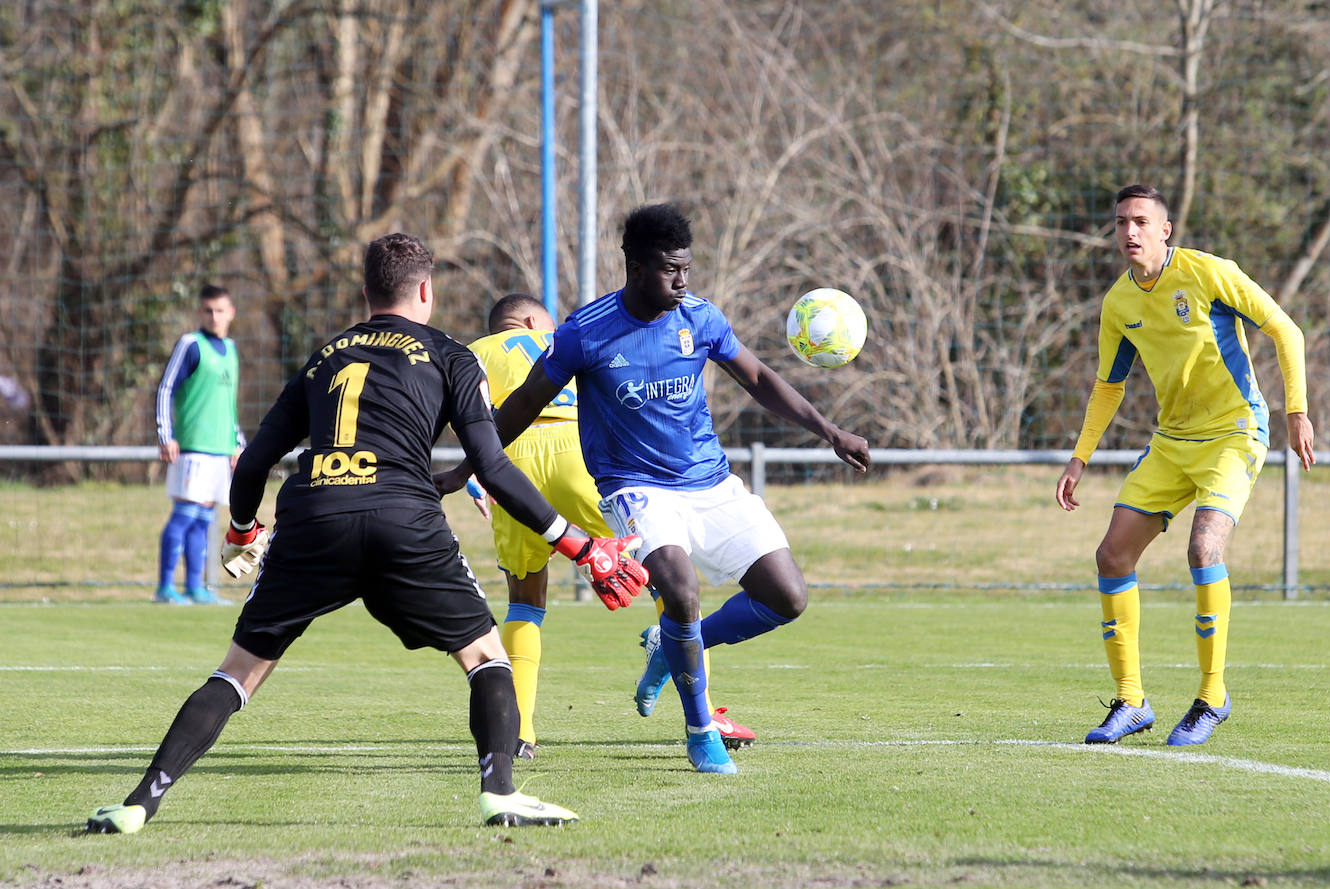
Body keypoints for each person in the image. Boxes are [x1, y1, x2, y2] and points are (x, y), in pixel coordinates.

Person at [84, 233, 647, 835]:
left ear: (366, 294)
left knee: (237, 673)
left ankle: (139, 802)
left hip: (313, 518)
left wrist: (244, 531)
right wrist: (581, 546)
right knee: (486, 657)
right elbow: (493, 465)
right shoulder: (452, 355)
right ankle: (500, 791)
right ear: (426, 289)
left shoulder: (326, 356)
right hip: (404, 519)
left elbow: (252, 464)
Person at [438, 204, 869, 774]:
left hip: (709, 481)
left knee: (787, 597)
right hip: (634, 488)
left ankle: (669, 647)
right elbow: (519, 408)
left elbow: (760, 378)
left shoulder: (701, 318)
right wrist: (465, 469)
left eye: (687, 268)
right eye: (671, 270)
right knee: (679, 588)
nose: (683, 280)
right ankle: (699, 731)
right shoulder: (585, 332)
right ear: (635, 267)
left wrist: (828, 430)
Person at [1055, 184, 1315, 747]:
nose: (1130, 232)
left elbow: (1284, 328)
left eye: (1142, 222)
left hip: (1234, 431)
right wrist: (1080, 457)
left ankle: (1212, 696)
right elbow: (1108, 385)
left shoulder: (1208, 273)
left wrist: (1297, 411)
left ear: (1165, 229)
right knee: (1111, 554)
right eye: (1121, 221)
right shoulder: (1119, 303)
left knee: (1203, 548)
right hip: (1173, 441)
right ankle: (1130, 702)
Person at [459, 293, 756, 758]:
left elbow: (471, 418)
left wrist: (476, 478)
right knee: (669, 586)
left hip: (510, 458)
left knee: (525, 602)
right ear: (535, 320)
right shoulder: (564, 337)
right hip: (577, 453)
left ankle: (521, 732)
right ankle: (706, 714)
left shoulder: (476, 351)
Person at [154, 285, 243, 605]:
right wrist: (166, 435)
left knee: (205, 519)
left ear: (231, 312)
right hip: (193, 447)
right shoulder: (191, 345)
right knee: (184, 515)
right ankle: (165, 587)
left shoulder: (231, 349)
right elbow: (166, 389)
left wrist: (237, 442)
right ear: (200, 312)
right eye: (208, 310)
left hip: (221, 450)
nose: (214, 316)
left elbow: (227, 405)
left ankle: (195, 588)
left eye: (220, 310)